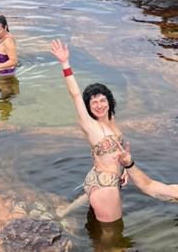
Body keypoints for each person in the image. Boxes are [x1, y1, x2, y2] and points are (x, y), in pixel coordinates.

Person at [50, 38, 133, 224]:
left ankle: (64, 212)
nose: (99, 105)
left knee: (100, 222)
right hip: (106, 186)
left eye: (102, 100)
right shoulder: (90, 125)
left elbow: (118, 146)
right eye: (93, 102)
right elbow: (76, 94)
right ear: (88, 107)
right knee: (113, 233)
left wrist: (125, 169)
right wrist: (65, 63)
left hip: (97, 179)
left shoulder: (111, 120)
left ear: (109, 101)